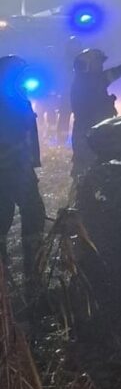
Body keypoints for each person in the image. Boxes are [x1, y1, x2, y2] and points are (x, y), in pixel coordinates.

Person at [0, 56, 46, 293]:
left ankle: (13, 275)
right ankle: (31, 276)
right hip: (13, 171)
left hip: (17, 169)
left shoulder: (15, 98)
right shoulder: (9, 101)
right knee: (32, 213)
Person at [70, 48, 121, 179]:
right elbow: (111, 75)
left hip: (93, 130)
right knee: (87, 167)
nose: (101, 66)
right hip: (88, 132)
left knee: (93, 166)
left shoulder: (88, 81)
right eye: (98, 63)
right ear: (86, 65)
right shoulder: (88, 82)